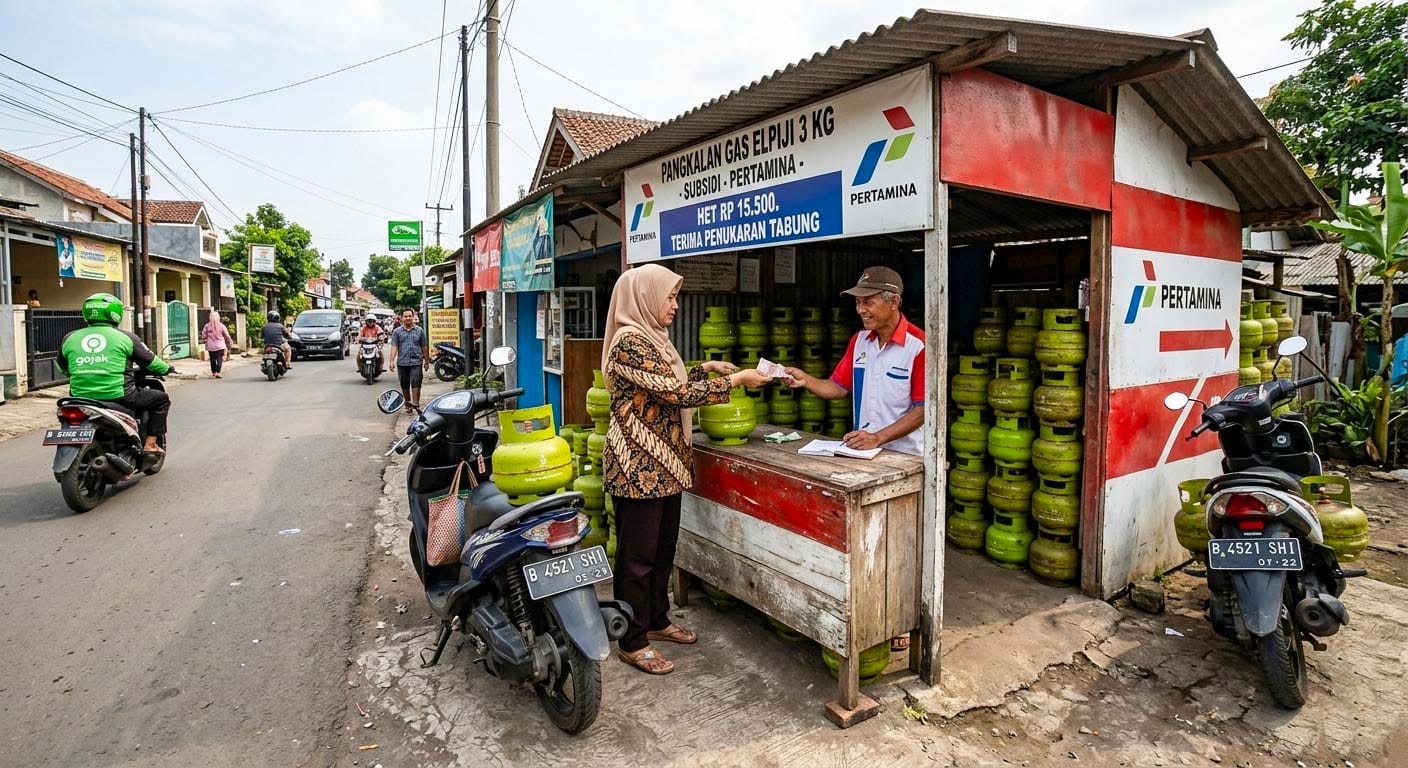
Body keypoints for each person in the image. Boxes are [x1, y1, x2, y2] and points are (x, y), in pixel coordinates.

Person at [601, 264, 772, 675]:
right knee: (637, 557)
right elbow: (675, 393)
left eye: (676, 297)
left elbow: (667, 385)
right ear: (644, 297)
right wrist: (738, 381)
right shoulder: (629, 342)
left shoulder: (654, 339)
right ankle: (633, 639)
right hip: (638, 466)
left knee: (662, 550)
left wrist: (707, 368)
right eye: (670, 296)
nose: (675, 305)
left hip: (667, 464)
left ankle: (656, 619)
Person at [783, 266, 924, 651]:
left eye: (868, 300)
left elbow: (922, 409)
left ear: (893, 301)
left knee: (903, 546)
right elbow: (839, 387)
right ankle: (872, 612)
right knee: (870, 544)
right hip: (864, 457)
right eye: (858, 301)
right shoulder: (859, 342)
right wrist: (806, 380)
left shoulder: (919, 346)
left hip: (905, 459)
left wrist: (878, 436)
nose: (861, 308)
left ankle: (900, 621)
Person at [56, 293, 172, 454]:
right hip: (120, 396)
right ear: (115, 313)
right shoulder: (125, 337)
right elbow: (152, 361)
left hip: (79, 397)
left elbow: (62, 367)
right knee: (161, 400)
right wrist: (167, 368)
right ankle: (150, 444)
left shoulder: (70, 338)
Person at [389, 308, 429, 411]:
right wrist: (391, 361)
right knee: (404, 384)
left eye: (409, 316)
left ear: (413, 317)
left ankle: (415, 404)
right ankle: (408, 404)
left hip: (416, 361)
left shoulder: (419, 331)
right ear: (402, 318)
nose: (408, 318)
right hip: (402, 362)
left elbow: (424, 346)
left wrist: (427, 361)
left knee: (416, 382)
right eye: (405, 316)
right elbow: (394, 346)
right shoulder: (397, 332)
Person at [201, 311, 236, 378]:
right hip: (220, 346)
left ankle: (214, 373)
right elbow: (227, 335)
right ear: (218, 317)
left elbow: (203, 335)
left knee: (212, 360)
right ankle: (218, 373)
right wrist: (230, 342)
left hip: (211, 346)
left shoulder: (207, 326)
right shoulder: (222, 326)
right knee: (219, 359)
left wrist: (207, 336)